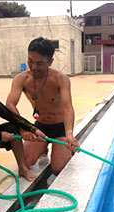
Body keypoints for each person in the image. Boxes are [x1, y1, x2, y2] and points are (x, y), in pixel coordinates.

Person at [6, 37, 79, 175]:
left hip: (60, 128)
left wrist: (69, 133)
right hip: (40, 127)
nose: (33, 67)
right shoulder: (21, 79)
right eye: (30, 61)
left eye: (39, 63)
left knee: (58, 169)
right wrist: (25, 128)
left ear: (50, 62)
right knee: (25, 162)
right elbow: (10, 104)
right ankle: (42, 148)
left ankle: (65, 147)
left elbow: (67, 107)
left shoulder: (60, 79)